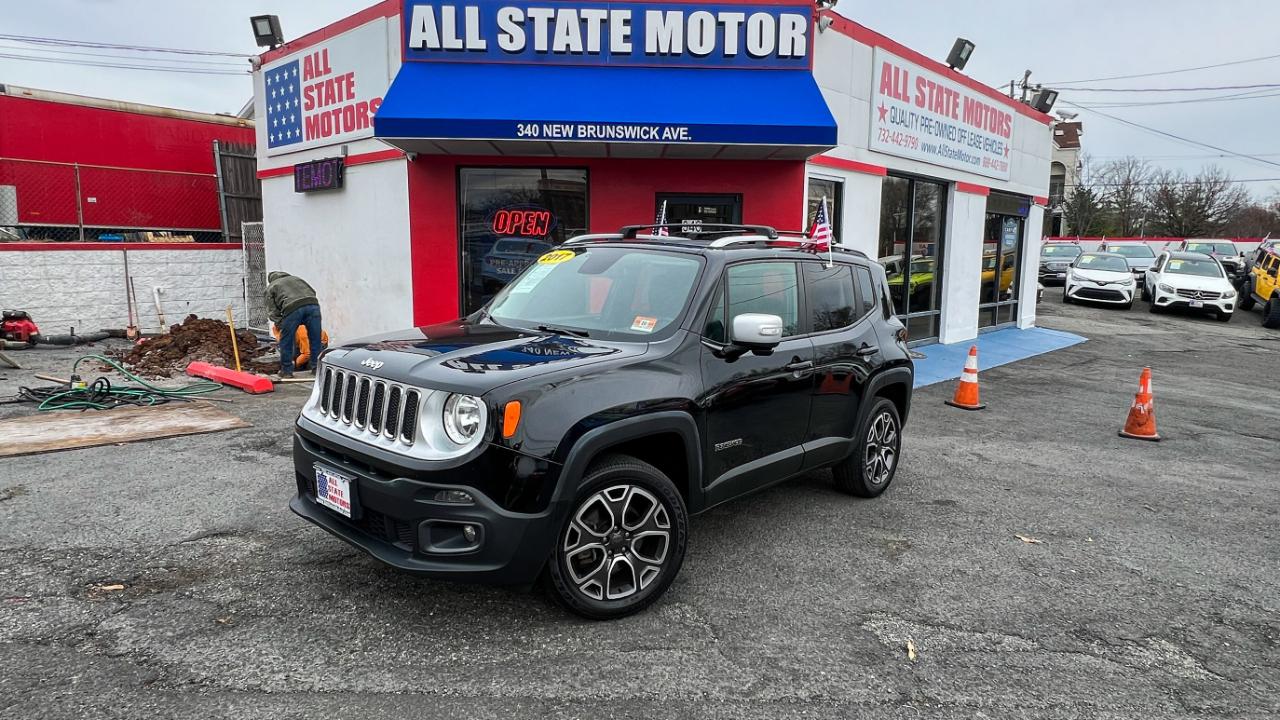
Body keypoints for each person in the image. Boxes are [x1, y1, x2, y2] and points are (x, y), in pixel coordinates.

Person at [266, 271, 325, 378]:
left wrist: (280, 324)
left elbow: (272, 310)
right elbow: (312, 291)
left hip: (292, 308)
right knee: (315, 339)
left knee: (286, 341)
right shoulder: (297, 279)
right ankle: (317, 368)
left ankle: (287, 370)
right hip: (313, 305)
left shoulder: (272, 286)